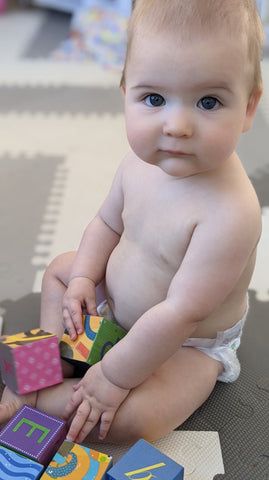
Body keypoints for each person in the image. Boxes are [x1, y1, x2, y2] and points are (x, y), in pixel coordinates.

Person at [0, 0, 264, 445]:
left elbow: (182, 313)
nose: (176, 125)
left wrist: (114, 378)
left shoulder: (230, 214)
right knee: (61, 270)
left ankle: (36, 395)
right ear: (125, 93)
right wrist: (85, 276)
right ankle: (48, 363)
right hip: (116, 301)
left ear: (250, 107)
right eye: (155, 99)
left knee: (137, 420)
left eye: (208, 101)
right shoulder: (136, 165)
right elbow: (106, 223)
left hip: (184, 344)